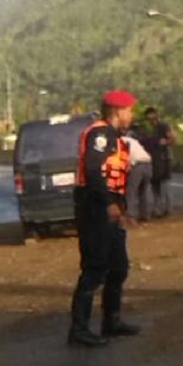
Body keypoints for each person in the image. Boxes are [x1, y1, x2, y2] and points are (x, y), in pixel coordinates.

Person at [68, 90, 142, 347]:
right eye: (129, 110)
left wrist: (121, 210)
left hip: (111, 209)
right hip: (95, 207)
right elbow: (92, 170)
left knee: (118, 267)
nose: (131, 115)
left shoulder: (118, 138)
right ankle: (78, 330)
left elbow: (119, 179)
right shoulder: (99, 134)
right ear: (117, 111)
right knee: (94, 268)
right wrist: (108, 204)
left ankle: (111, 321)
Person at [147, 107, 176, 218]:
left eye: (152, 114)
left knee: (165, 184)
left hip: (165, 158)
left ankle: (168, 208)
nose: (150, 117)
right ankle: (157, 208)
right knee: (155, 183)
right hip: (155, 159)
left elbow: (173, 138)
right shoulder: (152, 129)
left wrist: (165, 142)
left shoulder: (164, 125)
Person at [123, 123, 153, 222]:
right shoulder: (135, 141)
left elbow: (124, 157)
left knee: (131, 191)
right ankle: (146, 215)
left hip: (137, 165)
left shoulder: (122, 141)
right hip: (148, 163)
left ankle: (131, 216)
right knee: (144, 191)